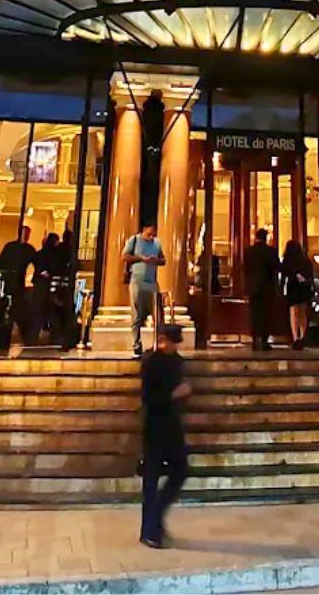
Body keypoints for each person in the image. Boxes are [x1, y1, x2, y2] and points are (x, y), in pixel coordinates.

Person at [139, 323, 190, 548]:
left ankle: (156, 517)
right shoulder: (152, 362)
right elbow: (149, 397)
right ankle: (149, 530)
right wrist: (173, 394)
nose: (173, 347)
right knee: (151, 479)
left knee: (180, 470)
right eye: (170, 342)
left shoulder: (176, 361)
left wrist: (182, 395)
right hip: (155, 427)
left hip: (172, 425)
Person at [123, 222, 165, 357]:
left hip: (152, 283)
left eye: (153, 234)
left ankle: (158, 343)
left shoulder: (157, 243)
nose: (151, 237)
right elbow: (124, 256)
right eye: (149, 234)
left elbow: (163, 260)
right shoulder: (134, 240)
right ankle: (136, 344)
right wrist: (140, 258)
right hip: (137, 282)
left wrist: (155, 260)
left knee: (158, 314)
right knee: (137, 315)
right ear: (143, 230)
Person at [0, 225, 38, 345]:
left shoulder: (28, 249)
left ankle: (14, 329)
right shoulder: (11, 247)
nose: (26, 236)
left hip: (18, 282)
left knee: (17, 304)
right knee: (8, 303)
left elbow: (37, 263)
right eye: (25, 233)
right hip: (9, 281)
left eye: (28, 233)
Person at [244, 227, 280, 351]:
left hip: (253, 288)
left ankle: (255, 340)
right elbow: (276, 268)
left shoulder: (249, 252)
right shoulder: (272, 252)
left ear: (256, 237)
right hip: (267, 288)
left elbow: (245, 270)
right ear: (266, 238)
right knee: (266, 315)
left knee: (254, 315)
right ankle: (264, 341)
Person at [280, 239, 315, 350]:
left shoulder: (288, 261)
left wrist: (280, 289)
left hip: (293, 288)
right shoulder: (305, 261)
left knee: (294, 312)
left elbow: (284, 275)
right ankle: (302, 336)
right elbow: (310, 275)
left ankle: (295, 338)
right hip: (303, 288)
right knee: (302, 313)